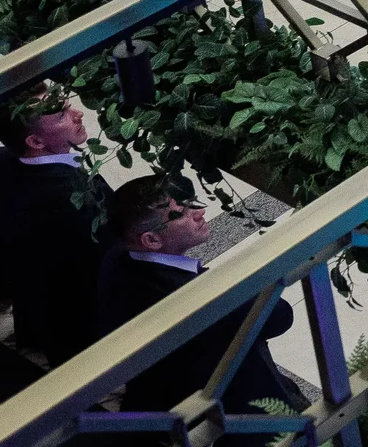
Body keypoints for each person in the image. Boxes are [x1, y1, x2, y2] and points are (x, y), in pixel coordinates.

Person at [98, 177, 301, 416]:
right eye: (181, 214)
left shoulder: (120, 260)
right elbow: (280, 315)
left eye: (190, 203)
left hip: (156, 393)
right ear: (151, 240)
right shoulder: (194, 296)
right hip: (229, 409)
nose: (200, 211)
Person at [0, 83, 103, 363]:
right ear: (35, 142)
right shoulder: (78, 197)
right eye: (61, 116)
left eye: (67, 106)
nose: (78, 113)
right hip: (87, 333)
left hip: (34, 317)